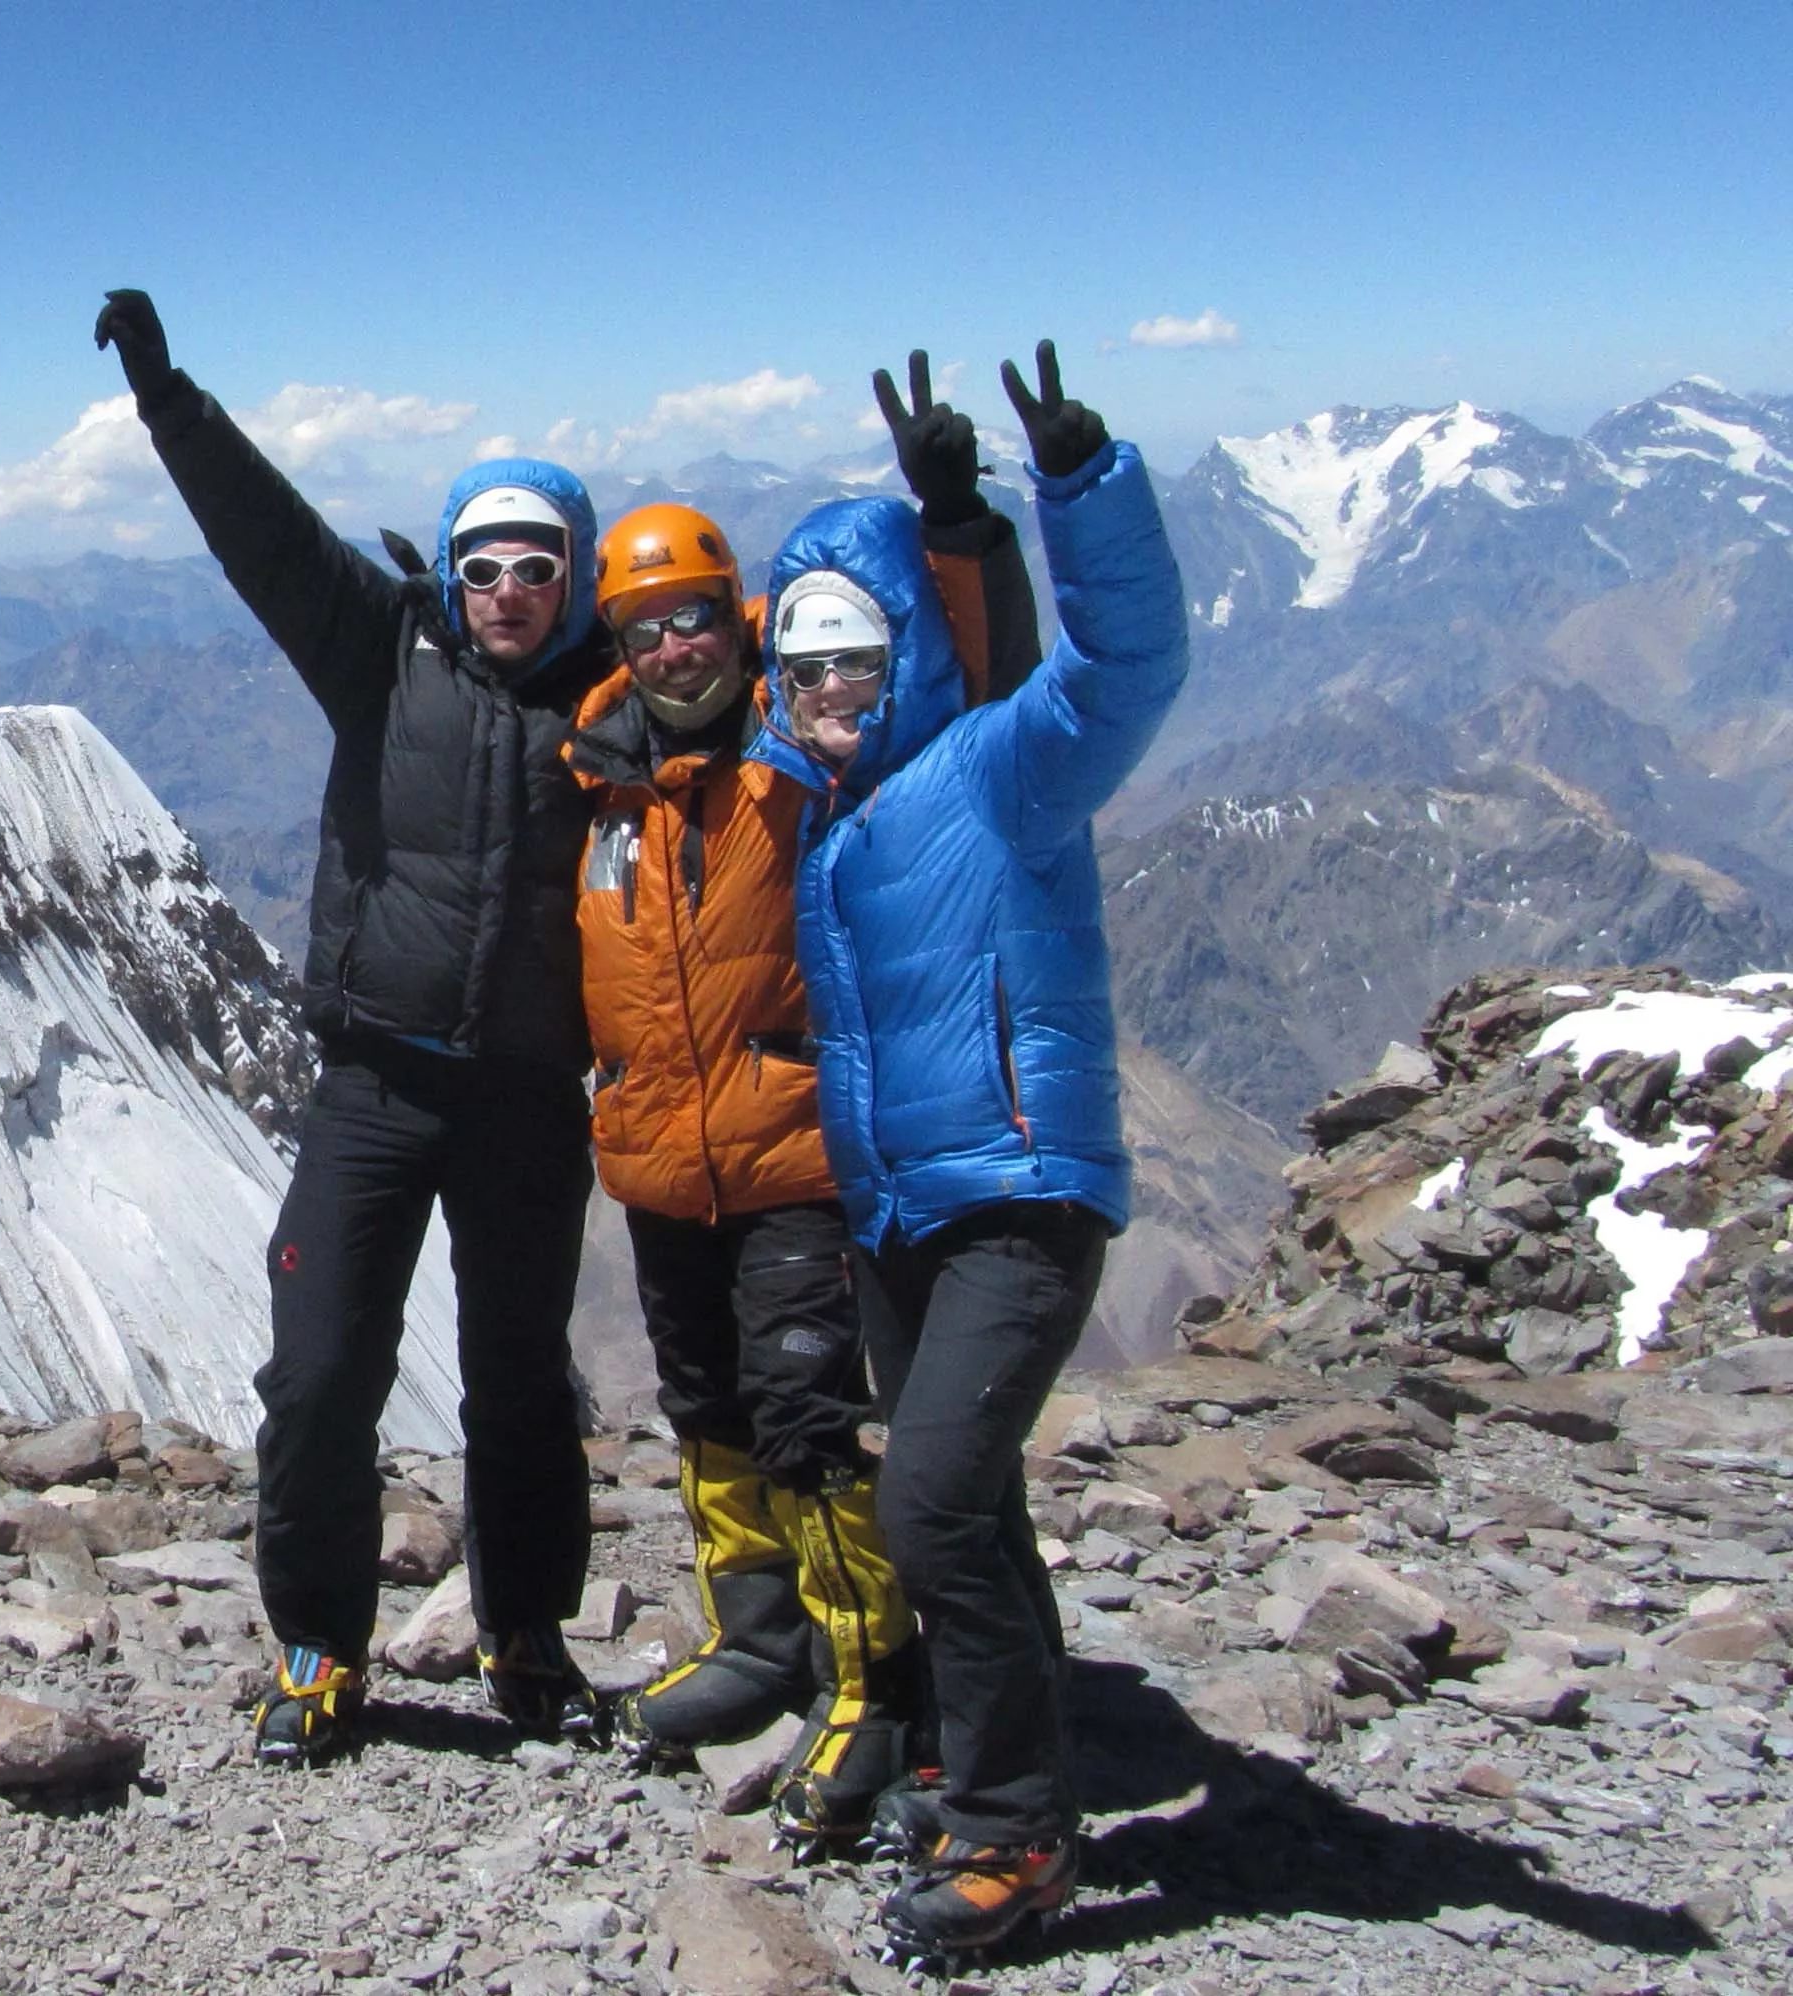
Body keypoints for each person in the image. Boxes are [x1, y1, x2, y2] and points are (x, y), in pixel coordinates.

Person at [92, 288, 613, 1765]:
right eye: (481, 563)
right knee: (320, 1373)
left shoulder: (622, 703)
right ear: (447, 575)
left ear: (574, 578)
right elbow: (268, 539)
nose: (505, 586)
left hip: (527, 1102)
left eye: (536, 564)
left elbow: (794, 665)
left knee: (520, 1379)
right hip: (373, 1086)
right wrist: (172, 404)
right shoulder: (383, 653)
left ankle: (525, 1632)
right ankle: (321, 1642)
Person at [566, 354, 1035, 1854]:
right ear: (619, 640)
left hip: (790, 1154)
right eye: (645, 626)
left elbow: (967, 675)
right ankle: (757, 1638)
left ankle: (869, 1676)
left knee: (808, 1416)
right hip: (657, 1163)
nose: (675, 645)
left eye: (697, 615)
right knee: (706, 1409)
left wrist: (958, 525)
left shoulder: (807, 749)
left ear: (737, 620)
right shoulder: (596, 779)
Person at [770, 345, 1185, 1963]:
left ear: (906, 661)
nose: (824, 691)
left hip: (1018, 1197)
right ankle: (961, 1765)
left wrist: (1062, 491)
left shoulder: (996, 770)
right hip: (899, 1217)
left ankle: (1016, 1838)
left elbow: (1123, 666)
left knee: (932, 1498)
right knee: (969, 1505)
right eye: (797, 667)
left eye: (854, 659)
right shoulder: (823, 820)